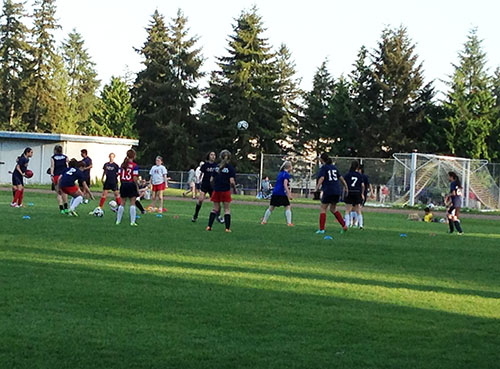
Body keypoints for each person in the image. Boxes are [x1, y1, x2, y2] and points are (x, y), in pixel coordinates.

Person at [314, 153, 349, 234]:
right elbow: (341, 178)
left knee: (323, 208)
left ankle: (322, 229)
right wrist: (346, 187)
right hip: (337, 190)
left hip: (328, 190)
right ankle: (344, 225)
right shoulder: (334, 168)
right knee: (333, 209)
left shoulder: (324, 168)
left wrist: (317, 188)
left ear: (322, 160)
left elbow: (322, 178)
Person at [206, 150, 236, 232]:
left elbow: (211, 179)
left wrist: (214, 187)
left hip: (217, 190)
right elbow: (232, 181)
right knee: (226, 209)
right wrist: (234, 188)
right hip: (225, 190)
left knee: (215, 208)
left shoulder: (216, 167)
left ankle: (209, 226)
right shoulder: (230, 168)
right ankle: (227, 228)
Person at [261, 161, 294, 226]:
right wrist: (289, 193)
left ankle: (264, 221)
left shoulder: (280, 173)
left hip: (275, 192)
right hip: (281, 193)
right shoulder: (286, 174)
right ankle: (289, 223)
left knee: (271, 207)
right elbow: (285, 184)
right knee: (287, 206)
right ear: (289, 167)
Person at [116, 149, 140, 226]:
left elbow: (119, 175)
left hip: (123, 184)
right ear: (134, 156)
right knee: (132, 203)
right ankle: (132, 222)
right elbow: (135, 178)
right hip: (131, 184)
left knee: (122, 203)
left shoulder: (122, 165)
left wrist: (122, 183)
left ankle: (118, 221)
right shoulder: (134, 166)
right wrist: (137, 186)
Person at [192, 152, 217, 222]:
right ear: (208, 156)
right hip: (205, 184)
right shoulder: (205, 165)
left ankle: (218, 216)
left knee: (216, 202)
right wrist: (199, 180)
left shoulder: (216, 165)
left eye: (214, 155)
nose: (213, 156)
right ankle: (195, 215)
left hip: (213, 186)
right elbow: (201, 173)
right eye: (211, 155)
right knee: (200, 200)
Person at [344, 160, 365, 229]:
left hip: (350, 191)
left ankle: (346, 224)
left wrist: (345, 192)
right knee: (358, 209)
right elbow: (362, 185)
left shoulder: (347, 174)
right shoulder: (359, 175)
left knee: (347, 210)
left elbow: (345, 184)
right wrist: (362, 193)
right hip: (357, 192)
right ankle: (361, 225)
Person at [50, 145, 69, 214]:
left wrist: (52, 175)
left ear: (55, 150)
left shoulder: (53, 158)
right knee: (64, 192)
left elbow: (52, 167)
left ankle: (61, 208)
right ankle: (66, 207)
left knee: (58, 193)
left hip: (56, 176)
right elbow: (68, 166)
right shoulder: (65, 157)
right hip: (64, 176)